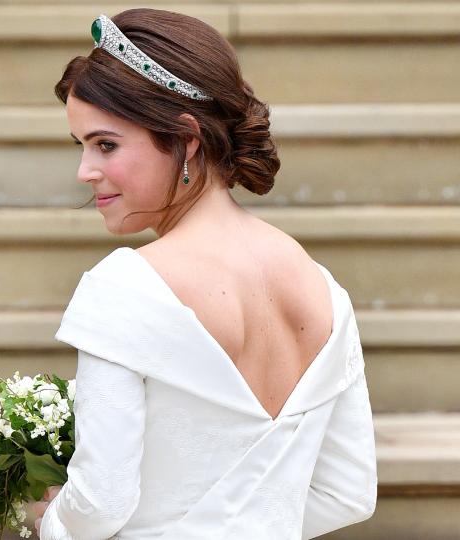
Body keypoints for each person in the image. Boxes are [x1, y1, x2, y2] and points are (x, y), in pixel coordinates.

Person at [29, 8, 378, 540]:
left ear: (186, 139)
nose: (85, 171)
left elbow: (101, 503)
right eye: (81, 146)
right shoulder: (324, 289)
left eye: (106, 144)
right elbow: (348, 493)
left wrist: (50, 521)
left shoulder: (126, 285)